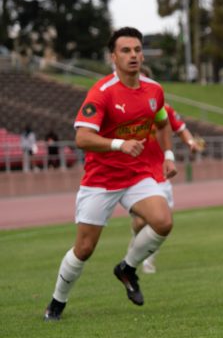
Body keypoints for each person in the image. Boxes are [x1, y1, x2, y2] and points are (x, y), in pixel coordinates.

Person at [43, 27, 174, 321]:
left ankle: (127, 268)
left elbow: (163, 123)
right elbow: (82, 138)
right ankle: (56, 303)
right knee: (85, 248)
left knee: (163, 221)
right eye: (126, 50)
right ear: (113, 56)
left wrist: (168, 155)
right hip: (101, 180)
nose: (133, 55)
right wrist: (119, 144)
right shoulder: (102, 93)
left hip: (137, 175)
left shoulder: (154, 90)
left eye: (138, 50)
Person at [128, 101, 204, 274]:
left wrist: (191, 142)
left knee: (162, 221)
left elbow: (180, 128)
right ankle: (135, 243)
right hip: (137, 174)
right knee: (141, 221)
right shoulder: (127, 109)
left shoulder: (164, 109)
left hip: (161, 174)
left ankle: (148, 260)